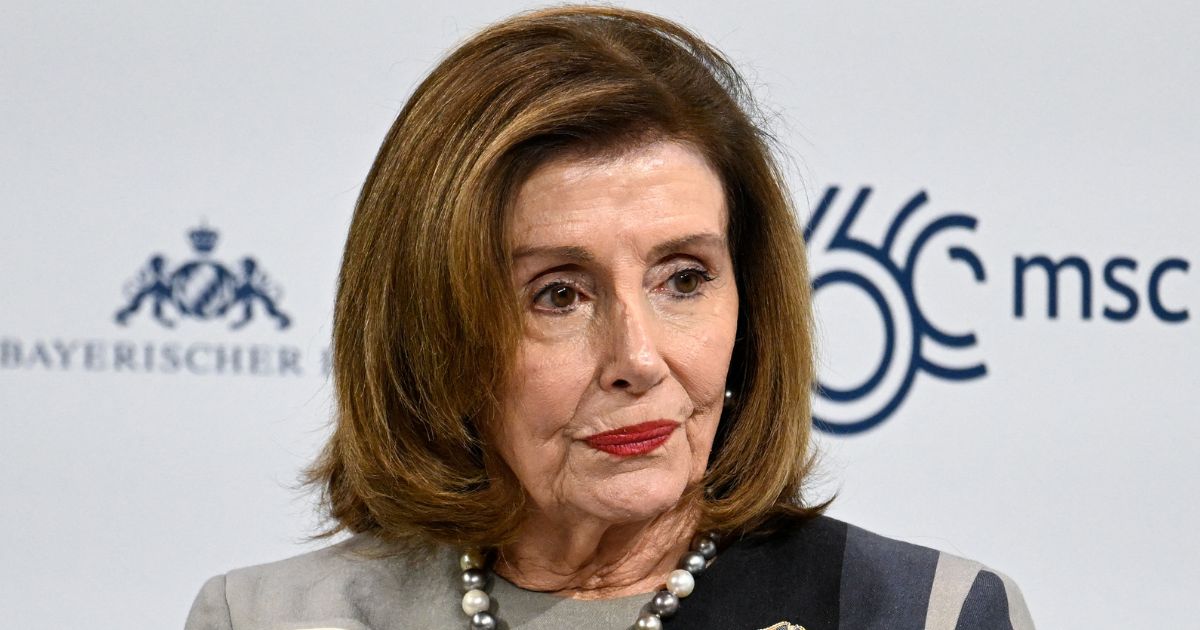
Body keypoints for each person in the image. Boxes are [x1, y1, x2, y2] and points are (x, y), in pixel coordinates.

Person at [185, 5, 1034, 629]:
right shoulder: (267, 618)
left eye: (684, 278)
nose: (638, 355)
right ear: (434, 335)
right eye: (559, 293)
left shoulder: (920, 614)